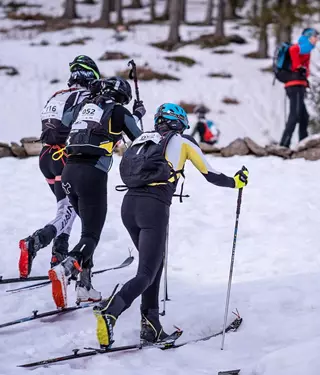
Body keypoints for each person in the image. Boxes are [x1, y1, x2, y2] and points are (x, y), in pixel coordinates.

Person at [93, 103, 249, 349]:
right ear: (179, 122)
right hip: (153, 209)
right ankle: (111, 311)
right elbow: (210, 174)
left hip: (128, 206)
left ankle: (151, 325)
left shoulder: (141, 139)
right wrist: (236, 182)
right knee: (147, 272)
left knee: (153, 266)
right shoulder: (182, 141)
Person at [48, 76, 145, 308]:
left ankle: (84, 287)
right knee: (91, 235)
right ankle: (66, 268)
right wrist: (137, 114)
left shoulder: (84, 107)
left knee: (86, 230)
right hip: (92, 174)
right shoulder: (119, 111)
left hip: (68, 171)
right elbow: (139, 139)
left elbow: (66, 120)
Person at [18, 55, 101, 279]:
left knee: (65, 209)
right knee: (72, 210)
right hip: (68, 157)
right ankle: (35, 241)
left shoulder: (56, 96)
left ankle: (59, 254)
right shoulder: (86, 96)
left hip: (46, 156)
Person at [279, 28, 319, 148]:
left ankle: (303, 143)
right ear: (308, 37)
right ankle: (284, 145)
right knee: (295, 115)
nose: (317, 39)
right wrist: (298, 66)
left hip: (298, 85)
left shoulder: (307, 49)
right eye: (315, 36)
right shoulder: (303, 46)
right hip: (294, 85)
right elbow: (293, 49)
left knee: (303, 116)